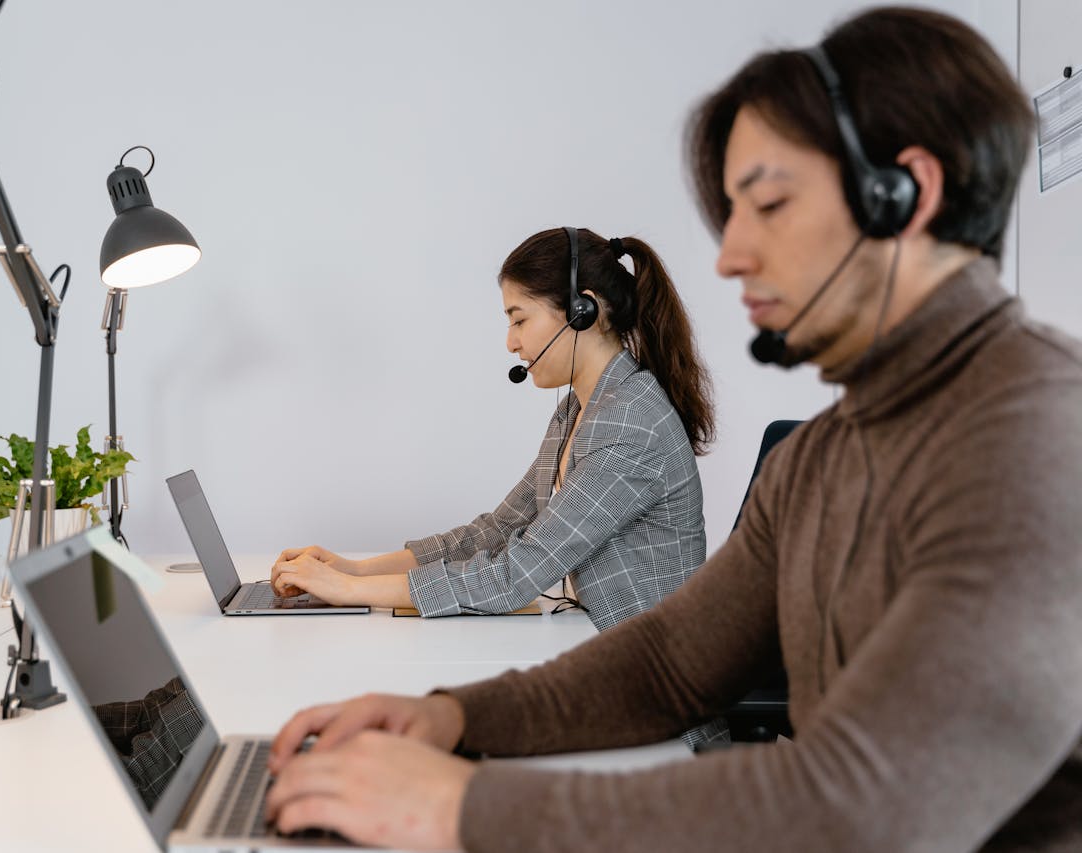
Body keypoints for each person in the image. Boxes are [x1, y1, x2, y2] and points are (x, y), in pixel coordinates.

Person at [260, 7, 1082, 851]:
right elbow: (667, 664)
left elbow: (861, 806)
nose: (729, 255)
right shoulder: (827, 453)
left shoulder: (1037, 439)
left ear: (904, 194)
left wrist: (456, 807)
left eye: (768, 204)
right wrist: (451, 717)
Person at [270, 228, 715, 637]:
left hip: (653, 693)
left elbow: (515, 576)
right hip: (599, 655)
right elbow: (498, 532)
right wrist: (354, 571)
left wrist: (348, 592)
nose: (511, 342)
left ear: (583, 311)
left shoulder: (628, 424)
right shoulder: (579, 410)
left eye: (520, 320)